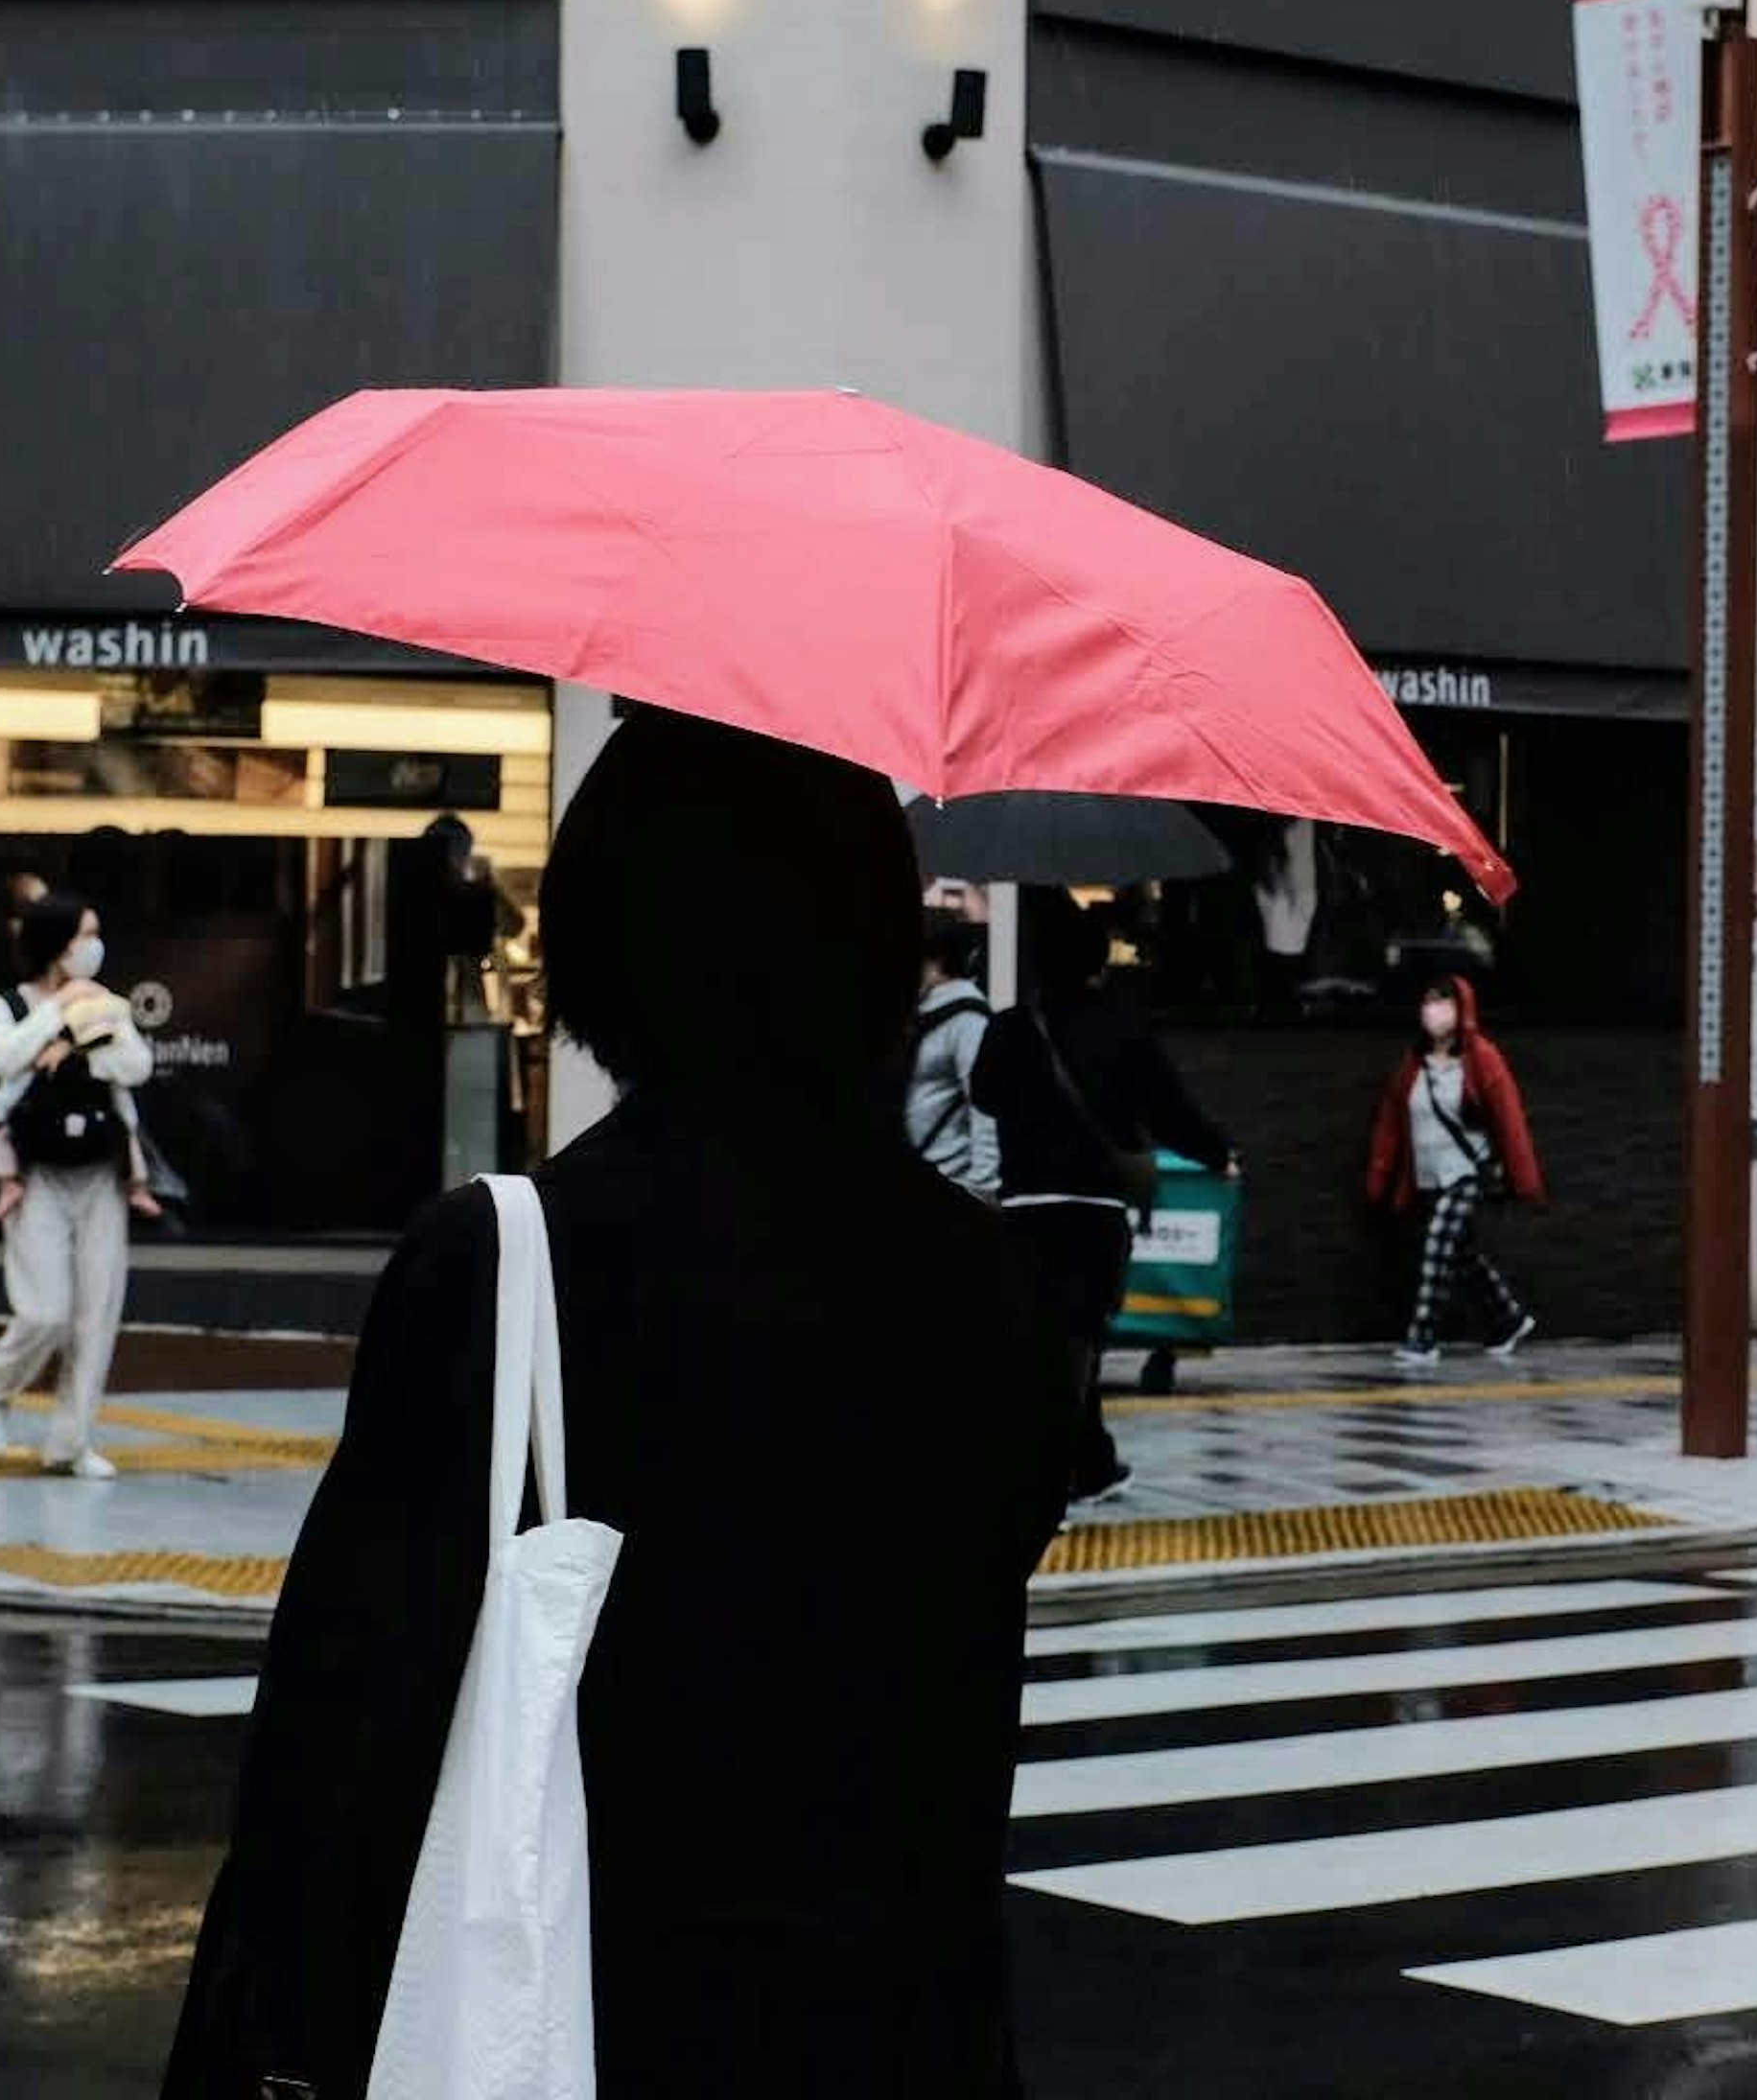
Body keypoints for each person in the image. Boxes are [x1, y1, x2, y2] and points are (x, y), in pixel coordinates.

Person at [165, 712, 1071, 2098]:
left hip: (587, 2015)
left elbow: (341, 1741)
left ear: (609, 931)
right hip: (898, 2024)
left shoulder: (507, 1258)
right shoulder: (994, 1285)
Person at [971, 887, 1233, 1508]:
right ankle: (1070, 1467)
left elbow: (983, 1095)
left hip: (1026, 1208)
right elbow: (1169, 1110)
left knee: (1044, 1337)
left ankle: (1086, 1463)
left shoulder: (1010, 1029)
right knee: (1080, 1336)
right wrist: (1217, 1153)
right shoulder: (1124, 1030)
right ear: (1097, 963)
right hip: (1095, 1211)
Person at [0, 891, 154, 1478]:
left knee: (96, 1311)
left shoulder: (109, 1004)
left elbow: (134, 1066)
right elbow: (2, 1058)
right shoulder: (8, 1005)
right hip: (36, 1172)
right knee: (45, 1310)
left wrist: (72, 1050)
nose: (93, 946)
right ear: (56, 942)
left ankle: (71, 1442)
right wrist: (59, 1011)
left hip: (101, 1171)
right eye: (84, 934)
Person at [1365, 975, 1546, 1368]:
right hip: (1430, 1176)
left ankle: (1423, 1336)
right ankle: (1507, 1319)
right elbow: (1391, 1124)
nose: (1435, 1011)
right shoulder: (1413, 1065)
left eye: (1444, 1002)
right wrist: (1379, 1177)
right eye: (1429, 1002)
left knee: (1438, 1245)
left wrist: (1525, 1179)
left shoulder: (1482, 1058)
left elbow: (1509, 1119)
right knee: (1462, 1254)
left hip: (1468, 1173)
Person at [906, 910, 997, 1201]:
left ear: (935, 960)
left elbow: (985, 1107)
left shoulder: (968, 1018)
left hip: (948, 1184)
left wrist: (980, 1188)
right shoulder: (919, 1013)